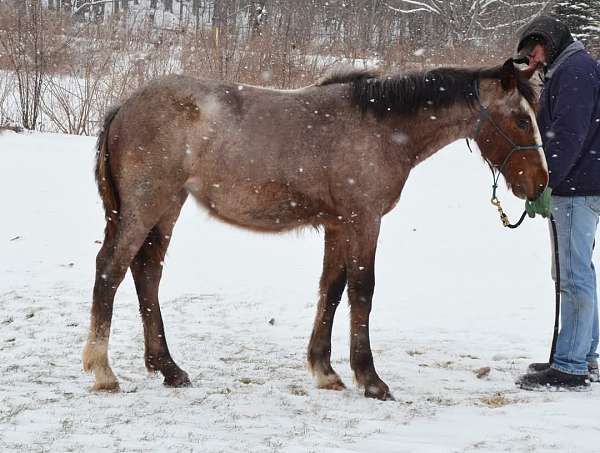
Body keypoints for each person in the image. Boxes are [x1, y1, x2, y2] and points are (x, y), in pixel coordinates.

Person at [515, 16, 600, 390]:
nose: (530, 61)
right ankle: (584, 355)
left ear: (546, 40)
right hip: (582, 183)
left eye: (531, 52)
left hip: (577, 188)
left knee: (573, 276)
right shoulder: (570, 67)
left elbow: (568, 135)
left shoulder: (576, 72)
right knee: (577, 273)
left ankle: (569, 366)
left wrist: (546, 184)